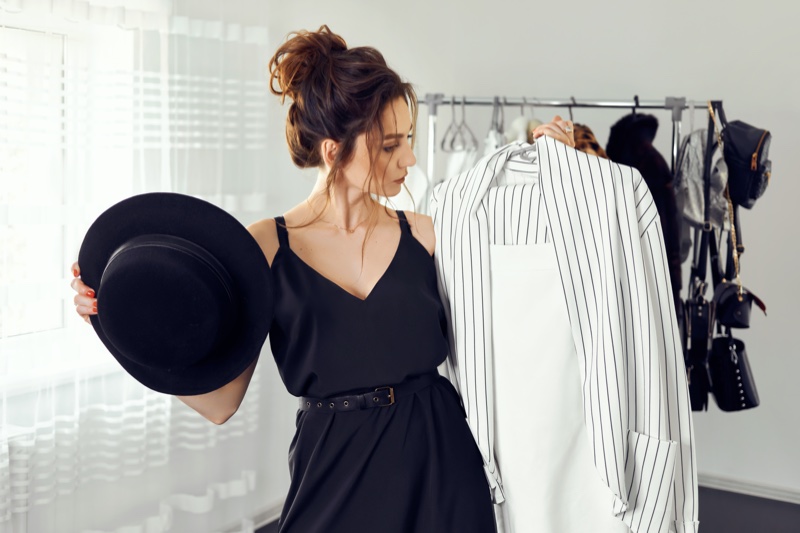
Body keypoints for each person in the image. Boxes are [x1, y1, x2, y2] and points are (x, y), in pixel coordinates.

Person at [70, 25, 574, 533]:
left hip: (440, 467)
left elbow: (530, 307)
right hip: (332, 472)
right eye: (389, 146)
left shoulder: (427, 234)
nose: (411, 160)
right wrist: (117, 325)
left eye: (409, 142)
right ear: (334, 151)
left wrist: (558, 169)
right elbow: (221, 403)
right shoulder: (266, 246)